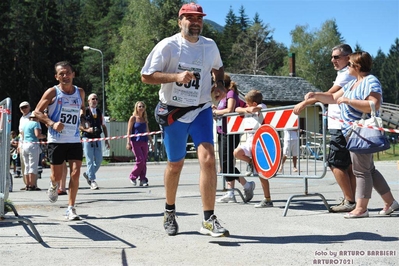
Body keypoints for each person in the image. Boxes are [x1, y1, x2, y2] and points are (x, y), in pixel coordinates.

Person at [141, 2, 229, 237]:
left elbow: (218, 69)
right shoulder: (168, 46)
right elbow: (146, 76)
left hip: (200, 109)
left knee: (209, 159)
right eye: (190, 18)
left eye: (199, 18)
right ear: (180, 21)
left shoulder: (210, 46)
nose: (195, 22)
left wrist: (219, 85)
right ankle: (169, 210)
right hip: (174, 113)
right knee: (175, 164)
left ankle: (209, 219)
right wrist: (175, 76)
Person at [306, 51, 398, 218]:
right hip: (352, 132)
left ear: (356, 66)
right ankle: (390, 202)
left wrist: (348, 101)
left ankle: (361, 208)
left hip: (361, 131)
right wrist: (315, 96)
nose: (347, 67)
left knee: (361, 171)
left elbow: (373, 105)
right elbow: (333, 97)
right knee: (369, 170)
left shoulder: (371, 81)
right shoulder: (353, 83)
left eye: (349, 64)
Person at [294, 44, 357, 212]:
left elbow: (330, 95)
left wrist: (305, 102)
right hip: (344, 125)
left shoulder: (346, 74)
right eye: (332, 57)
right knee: (348, 165)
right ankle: (350, 199)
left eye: (337, 57)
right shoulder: (346, 74)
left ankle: (350, 201)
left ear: (348, 57)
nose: (333, 60)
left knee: (335, 163)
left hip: (340, 125)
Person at [34, 61, 85, 221]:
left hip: (74, 139)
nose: (65, 76)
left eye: (68, 72)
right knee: (56, 176)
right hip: (56, 140)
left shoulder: (80, 92)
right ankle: (54, 185)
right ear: (57, 77)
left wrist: (81, 120)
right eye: (61, 74)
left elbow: (81, 109)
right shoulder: (52, 92)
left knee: (75, 174)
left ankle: (71, 208)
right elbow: (36, 112)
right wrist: (52, 123)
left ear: (73, 74)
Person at [213, 74, 255, 203]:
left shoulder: (231, 94)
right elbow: (223, 110)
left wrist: (215, 112)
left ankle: (244, 186)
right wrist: (216, 109)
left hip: (231, 132)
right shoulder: (224, 96)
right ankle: (235, 190)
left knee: (227, 163)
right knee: (224, 164)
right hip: (222, 131)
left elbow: (230, 110)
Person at [234, 90, 273, 208]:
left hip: (260, 141)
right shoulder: (248, 107)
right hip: (250, 139)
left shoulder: (262, 106)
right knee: (237, 152)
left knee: (261, 173)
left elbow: (253, 110)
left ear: (254, 103)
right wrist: (245, 108)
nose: (246, 105)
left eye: (248, 103)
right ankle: (250, 162)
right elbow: (236, 109)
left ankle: (267, 199)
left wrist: (248, 109)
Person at [80, 93, 110, 190]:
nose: (95, 100)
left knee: (99, 160)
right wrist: (86, 130)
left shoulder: (99, 112)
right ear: (88, 101)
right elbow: (79, 125)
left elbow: (104, 126)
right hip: (87, 138)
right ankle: (92, 180)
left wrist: (106, 139)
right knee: (89, 160)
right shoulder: (85, 111)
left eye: (96, 99)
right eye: (93, 99)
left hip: (97, 137)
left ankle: (88, 174)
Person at [126, 101, 154, 187]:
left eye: (142, 106)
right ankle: (133, 176)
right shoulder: (133, 118)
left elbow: (147, 131)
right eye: (139, 106)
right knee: (140, 160)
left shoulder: (144, 119)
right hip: (135, 141)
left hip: (144, 141)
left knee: (144, 160)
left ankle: (143, 179)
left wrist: (151, 142)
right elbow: (129, 130)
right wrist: (128, 142)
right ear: (136, 108)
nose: (141, 108)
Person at [21, 113, 46, 190]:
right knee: (33, 165)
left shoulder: (25, 124)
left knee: (26, 165)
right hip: (33, 145)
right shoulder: (36, 123)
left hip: (24, 144)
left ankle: (27, 184)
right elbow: (37, 135)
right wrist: (44, 136)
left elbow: (22, 134)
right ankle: (32, 185)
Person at [18, 101, 33, 188]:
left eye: (25, 107)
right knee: (23, 164)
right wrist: (19, 145)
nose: (24, 109)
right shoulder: (21, 119)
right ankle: (26, 183)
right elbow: (20, 133)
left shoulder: (32, 117)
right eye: (22, 108)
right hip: (22, 143)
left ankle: (32, 183)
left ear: (29, 107)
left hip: (31, 142)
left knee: (31, 164)